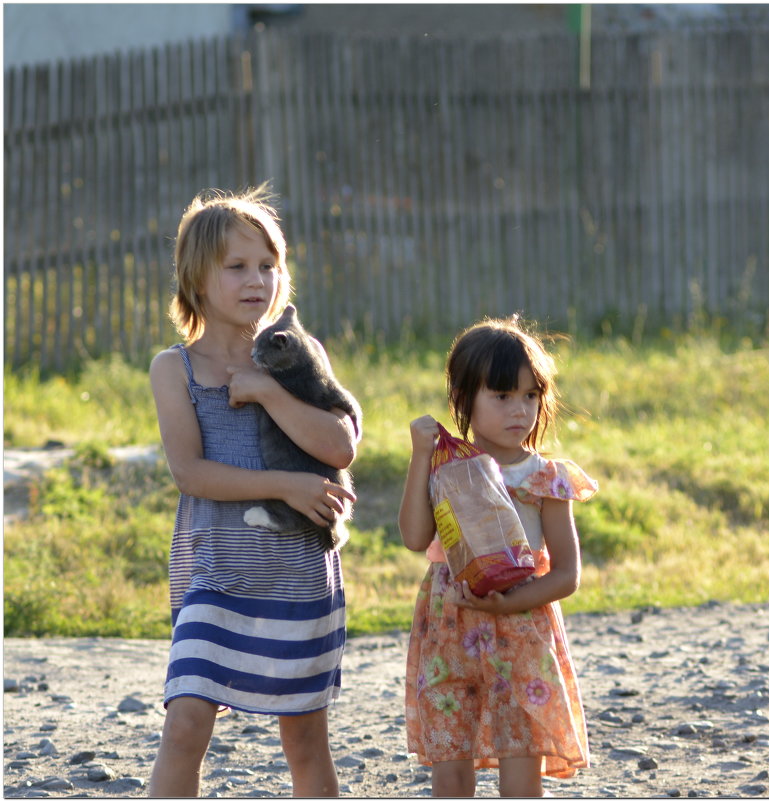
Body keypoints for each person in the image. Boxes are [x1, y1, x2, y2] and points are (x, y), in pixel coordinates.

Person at [147, 186, 358, 797]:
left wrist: (268, 390)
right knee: (185, 725)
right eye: (236, 266)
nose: (256, 280)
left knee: (305, 740)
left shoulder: (297, 358)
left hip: (296, 576)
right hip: (215, 577)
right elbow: (189, 472)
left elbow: (340, 445)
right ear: (196, 279)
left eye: (268, 266)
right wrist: (286, 485)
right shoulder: (175, 369)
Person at [399, 316, 598, 797]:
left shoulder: (545, 478)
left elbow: (568, 574)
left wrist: (508, 605)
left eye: (531, 396)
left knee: (521, 749)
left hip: (522, 628)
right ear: (464, 400)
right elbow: (414, 536)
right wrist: (420, 457)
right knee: (451, 756)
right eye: (503, 396)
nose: (520, 410)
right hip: (450, 626)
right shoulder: (448, 469)